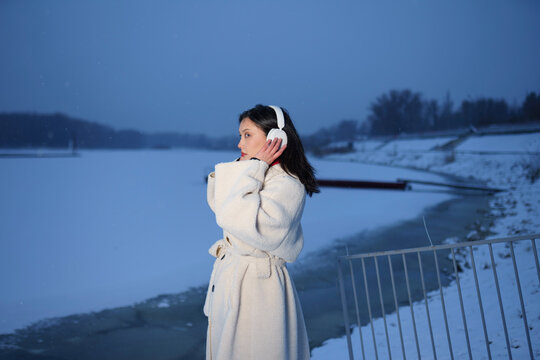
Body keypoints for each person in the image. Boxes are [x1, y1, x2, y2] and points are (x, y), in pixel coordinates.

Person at [203, 104, 320, 360]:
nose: (239, 144)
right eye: (240, 135)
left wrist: (253, 168)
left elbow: (243, 222)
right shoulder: (259, 174)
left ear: (275, 138)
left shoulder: (286, 183)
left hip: (259, 287)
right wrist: (252, 167)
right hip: (235, 277)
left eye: (247, 135)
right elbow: (221, 206)